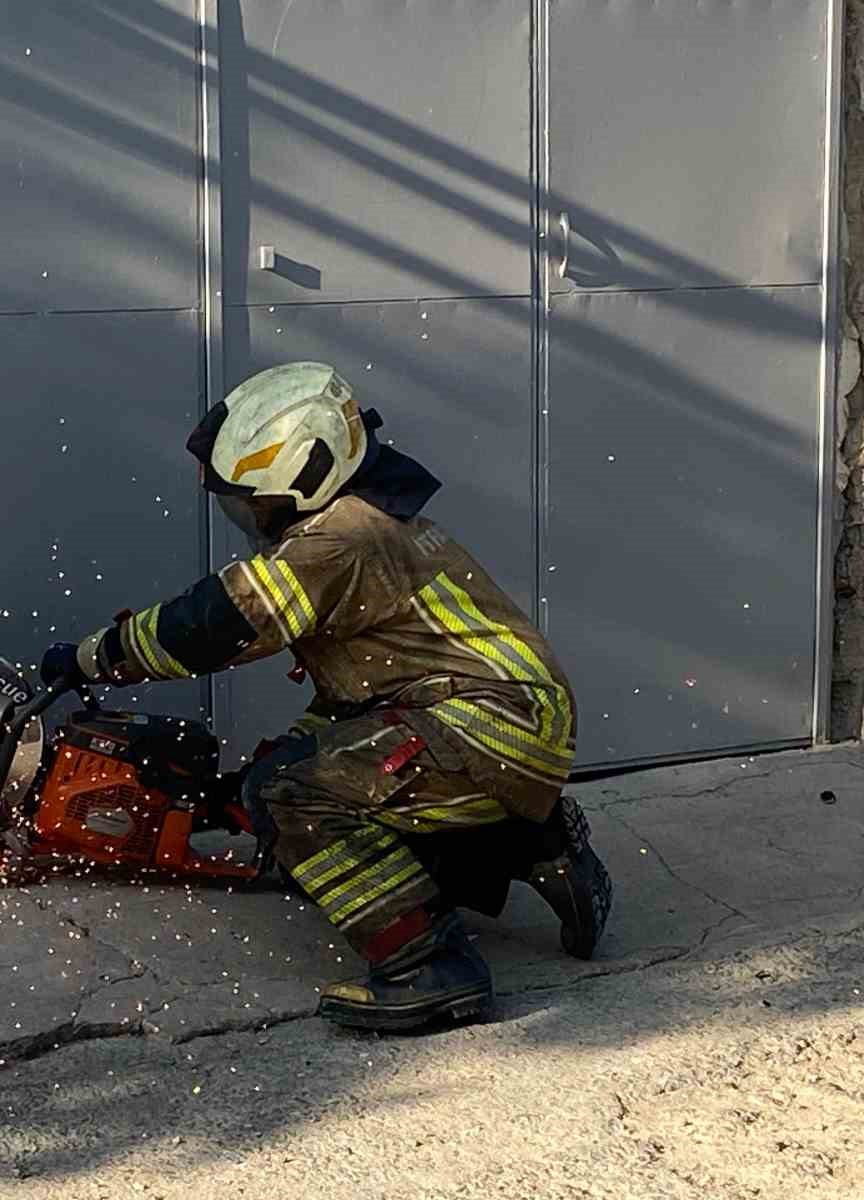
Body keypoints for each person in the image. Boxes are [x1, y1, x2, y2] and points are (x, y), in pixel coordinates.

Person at [40, 362, 612, 1032]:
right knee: (285, 777)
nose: (248, 515)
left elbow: (219, 623)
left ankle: (429, 969)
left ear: (306, 476)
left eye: (254, 500)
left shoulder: (341, 539)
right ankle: (540, 846)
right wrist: (248, 781)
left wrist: (96, 657)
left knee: (298, 799)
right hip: (499, 716)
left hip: (485, 724)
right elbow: (362, 693)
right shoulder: (368, 516)